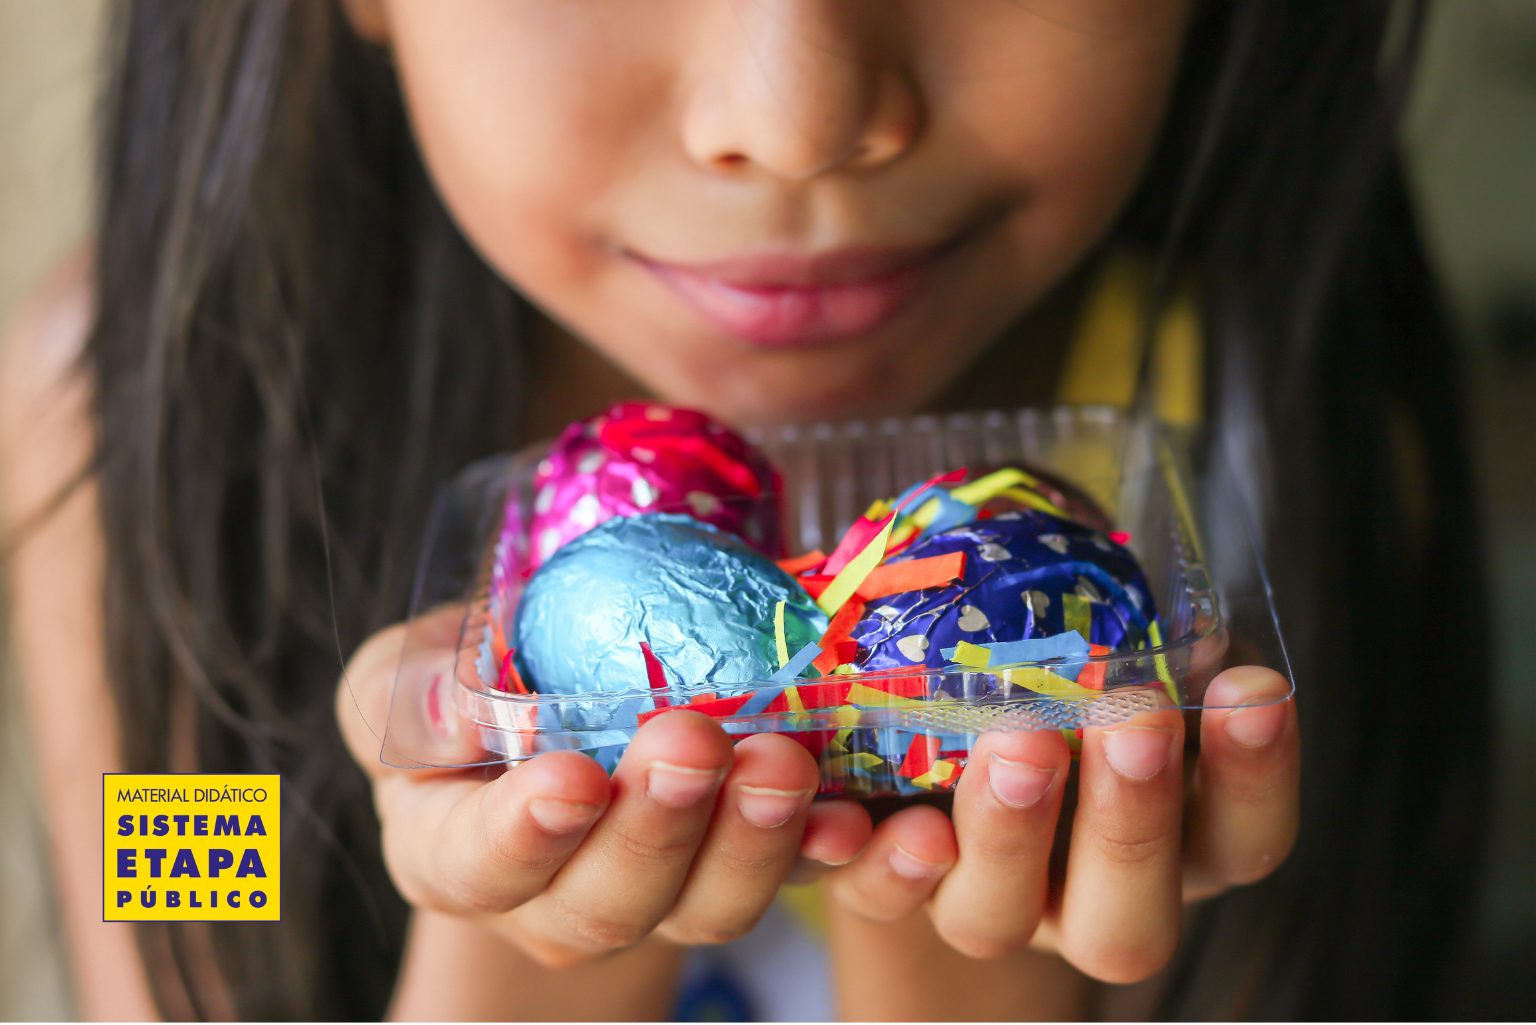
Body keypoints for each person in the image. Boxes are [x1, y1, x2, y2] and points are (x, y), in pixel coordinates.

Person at [0, 0, 1487, 1019]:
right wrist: (533, 927)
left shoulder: (1293, 430)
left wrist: (965, 939)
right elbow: (189, 951)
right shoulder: (154, 447)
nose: (796, 117)